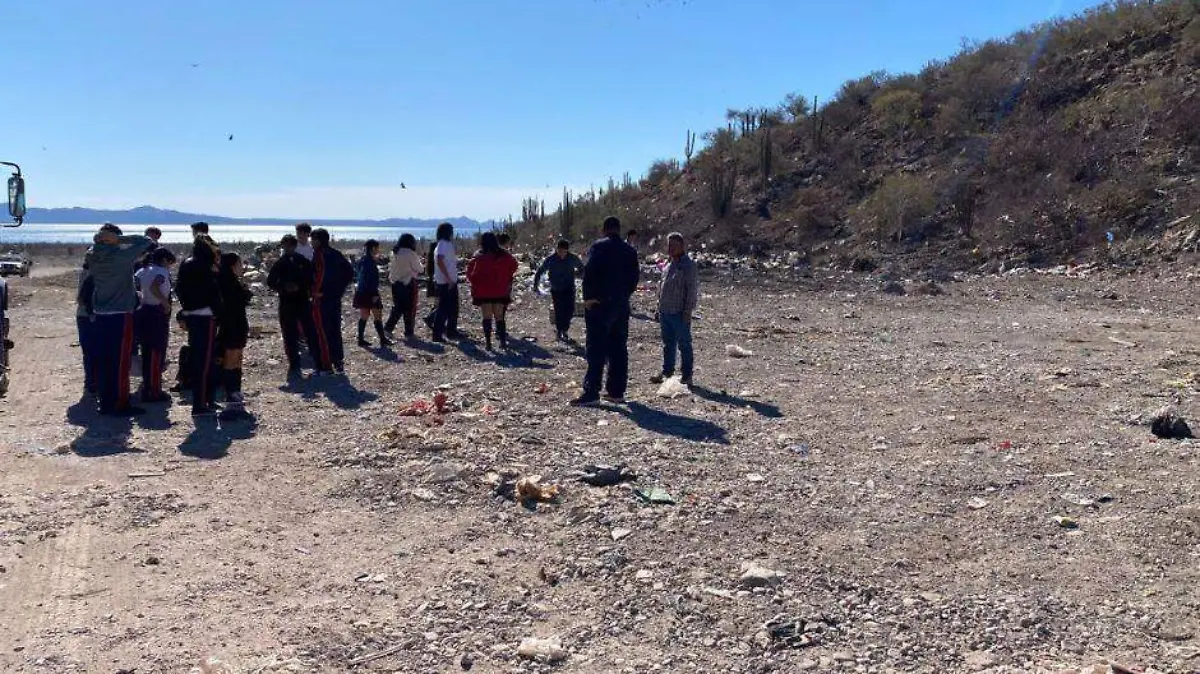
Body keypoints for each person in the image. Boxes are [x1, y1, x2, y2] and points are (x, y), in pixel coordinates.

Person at [87, 224, 156, 415]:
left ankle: (106, 401)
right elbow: (147, 241)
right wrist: (121, 240)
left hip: (101, 313)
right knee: (121, 360)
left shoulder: (92, 255)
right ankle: (120, 402)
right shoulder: (120, 257)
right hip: (120, 314)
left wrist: (101, 238)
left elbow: (95, 246)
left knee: (105, 360)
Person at [573, 216, 639, 406]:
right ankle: (616, 391)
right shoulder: (629, 250)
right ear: (619, 229)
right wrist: (624, 294)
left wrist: (588, 298)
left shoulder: (599, 246)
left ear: (604, 229)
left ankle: (592, 391)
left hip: (601, 304)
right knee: (618, 348)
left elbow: (590, 272)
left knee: (596, 348)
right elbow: (634, 279)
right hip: (621, 304)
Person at [175, 235, 222, 416]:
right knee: (206, 360)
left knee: (200, 358)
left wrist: (186, 307)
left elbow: (179, 288)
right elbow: (213, 292)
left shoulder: (186, 264)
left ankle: (206, 400)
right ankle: (201, 404)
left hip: (192, 314)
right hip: (206, 315)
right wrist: (218, 311)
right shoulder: (207, 267)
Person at [267, 234, 325, 376]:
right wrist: (284, 287)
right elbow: (271, 281)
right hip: (286, 302)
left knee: (310, 331)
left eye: (289, 245)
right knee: (289, 333)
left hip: (302, 301)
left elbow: (311, 279)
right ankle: (294, 363)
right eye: (285, 246)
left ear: (294, 246)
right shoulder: (280, 263)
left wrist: (299, 286)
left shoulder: (303, 261)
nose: (287, 248)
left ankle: (318, 361)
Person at [649, 232, 699, 386]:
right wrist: (658, 308)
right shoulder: (668, 265)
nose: (670, 248)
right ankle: (667, 372)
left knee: (684, 344)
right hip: (665, 311)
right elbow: (661, 287)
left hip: (679, 312)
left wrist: (688, 311)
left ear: (682, 246)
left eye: (673, 245)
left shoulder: (688, 266)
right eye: (668, 245)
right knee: (667, 344)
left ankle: (687, 375)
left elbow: (692, 290)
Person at [134, 247, 176, 403]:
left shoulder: (142, 270)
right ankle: (154, 390)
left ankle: (147, 386)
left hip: (143, 310)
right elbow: (155, 286)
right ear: (165, 260)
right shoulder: (160, 272)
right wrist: (165, 303)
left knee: (146, 351)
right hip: (156, 312)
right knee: (157, 351)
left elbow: (135, 285)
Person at [310, 228, 354, 372]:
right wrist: (338, 291)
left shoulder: (320, 255)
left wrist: (319, 292)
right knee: (335, 329)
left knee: (322, 331)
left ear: (319, 240)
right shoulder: (336, 254)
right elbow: (349, 272)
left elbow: (319, 277)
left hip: (322, 299)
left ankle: (326, 364)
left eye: (313, 239)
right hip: (335, 299)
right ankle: (338, 361)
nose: (311, 242)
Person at [465, 232, 519, 350]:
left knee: (487, 317)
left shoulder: (478, 256)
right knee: (499, 317)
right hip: (500, 290)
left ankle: (488, 343)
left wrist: (476, 284)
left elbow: (470, 273)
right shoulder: (504, 254)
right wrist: (505, 277)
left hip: (484, 292)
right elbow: (514, 265)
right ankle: (503, 342)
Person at [217, 252, 253, 419]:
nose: (242, 267)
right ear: (232, 265)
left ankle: (235, 393)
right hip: (231, 326)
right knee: (231, 360)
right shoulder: (226, 283)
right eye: (239, 264)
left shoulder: (231, 281)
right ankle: (231, 396)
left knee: (237, 359)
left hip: (237, 325)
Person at [533, 239, 584, 342]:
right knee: (559, 310)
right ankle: (560, 331)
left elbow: (582, 268)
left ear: (567, 251)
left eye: (564, 252)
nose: (562, 254)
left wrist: (576, 275)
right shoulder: (551, 259)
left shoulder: (572, 258)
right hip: (556, 288)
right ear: (557, 249)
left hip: (569, 287)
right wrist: (536, 285)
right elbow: (540, 271)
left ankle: (565, 329)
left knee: (569, 309)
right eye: (560, 251)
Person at [353, 239, 392, 348]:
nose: (378, 250)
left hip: (361, 291)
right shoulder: (370, 262)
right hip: (370, 292)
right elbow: (371, 280)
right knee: (377, 315)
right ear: (373, 248)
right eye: (377, 248)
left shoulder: (362, 260)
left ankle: (361, 339)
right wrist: (374, 294)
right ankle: (382, 339)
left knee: (364, 315)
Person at [385, 234, 424, 340]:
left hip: (395, 283)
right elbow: (420, 269)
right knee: (409, 308)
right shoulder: (410, 253)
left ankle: (388, 328)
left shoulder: (394, 252)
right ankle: (409, 332)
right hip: (408, 283)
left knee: (398, 307)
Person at [429, 222, 461, 343]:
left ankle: (451, 331)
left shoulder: (446, 244)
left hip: (450, 280)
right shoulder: (443, 244)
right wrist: (448, 278)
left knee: (453, 308)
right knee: (443, 309)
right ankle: (437, 334)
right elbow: (439, 260)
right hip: (445, 282)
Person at [74, 262, 98, 395]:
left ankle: (90, 382)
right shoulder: (94, 275)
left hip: (84, 316)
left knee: (89, 352)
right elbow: (82, 298)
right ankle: (94, 382)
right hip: (90, 316)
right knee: (95, 351)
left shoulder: (85, 273)